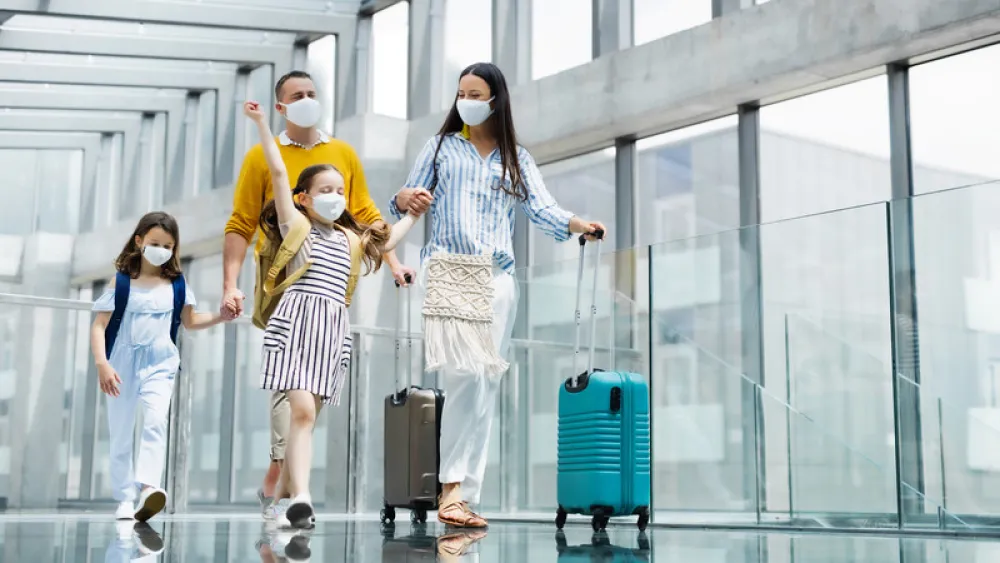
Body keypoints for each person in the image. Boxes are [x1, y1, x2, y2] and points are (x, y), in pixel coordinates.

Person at [390, 62, 607, 528]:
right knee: (466, 374)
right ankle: (449, 488)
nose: (465, 99)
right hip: (449, 267)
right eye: (460, 91)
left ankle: (464, 494)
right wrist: (406, 198)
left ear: (495, 101)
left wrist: (579, 225)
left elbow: (543, 209)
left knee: (485, 384)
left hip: (498, 279)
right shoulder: (441, 147)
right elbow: (403, 198)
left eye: (475, 92)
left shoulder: (516, 158)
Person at [221, 70, 416, 520]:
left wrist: (404, 232)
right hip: (291, 311)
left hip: (331, 328)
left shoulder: (347, 214)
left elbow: (376, 230)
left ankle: (284, 496)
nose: (334, 197)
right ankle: (296, 493)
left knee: (308, 418)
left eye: (312, 92)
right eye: (297, 95)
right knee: (298, 410)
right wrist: (261, 128)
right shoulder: (295, 219)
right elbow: (247, 211)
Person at [91, 211, 228, 522]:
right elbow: (99, 326)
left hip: (160, 363)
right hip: (121, 364)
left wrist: (221, 315)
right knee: (122, 430)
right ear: (139, 241)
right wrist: (102, 364)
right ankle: (124, 498)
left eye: (168, 245)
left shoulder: (177, 284)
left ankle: (148, 488)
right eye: (155, 242)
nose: (161, 250)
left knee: (155, 421)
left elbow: (190, 321)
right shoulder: (122, 282)